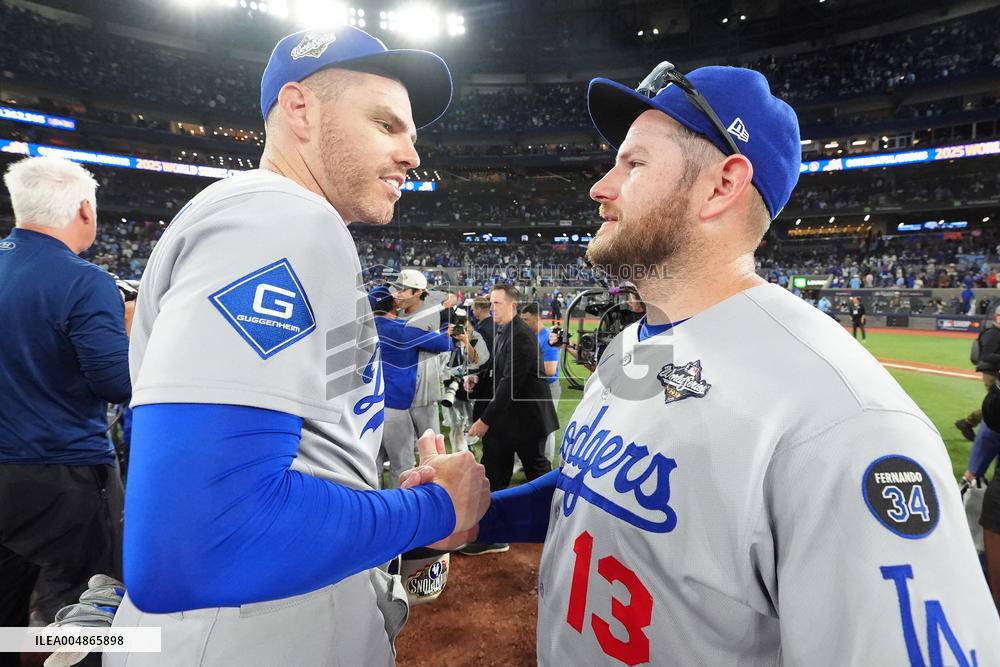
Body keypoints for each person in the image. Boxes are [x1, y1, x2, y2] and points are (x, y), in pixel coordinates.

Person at [449, 62, 1000, 663]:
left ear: (721, 185)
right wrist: (477, 517)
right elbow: (592, 490)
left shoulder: (845, 419)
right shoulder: (637, 340)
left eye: (634, 165)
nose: (600, 187)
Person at [109, 27, 489, 667]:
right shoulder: (283, 219)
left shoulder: (271, 222)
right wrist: (433, 508)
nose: (411, 155)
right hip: (248, 637)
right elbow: (200, 539)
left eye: (413, 136)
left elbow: (299, 462)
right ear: (299, 109)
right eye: (386, 125)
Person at [0, 156, 130, 651]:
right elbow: (119, 383)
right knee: (86, 615)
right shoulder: (85, 280)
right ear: (84, 210)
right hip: (64, 474)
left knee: (7, 617)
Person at [467, 285, 557, 493]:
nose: (492, 308)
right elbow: (497, 368)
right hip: (510, 420)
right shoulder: (506, 329)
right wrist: (476, 378)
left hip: (528, 421)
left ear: (513, 305)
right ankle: (495, 517)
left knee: (538, 479)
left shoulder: (520, 335)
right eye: (491, 303)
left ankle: (552, 520)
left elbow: (509, 383)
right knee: (494, 474)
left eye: (497, 303)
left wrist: (484, 421)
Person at [370, 286, 453, 488]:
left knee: (373, 463)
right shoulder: (403, 329)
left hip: (365, 406)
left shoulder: (362, 328)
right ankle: (399, 510)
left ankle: (370, 504)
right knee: (403, 464)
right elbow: (445, 344)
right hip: (394, 406)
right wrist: (446, 330)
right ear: (393, 304)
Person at [517, 303, 561, 464]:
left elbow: (550, 370)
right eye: (521, 319)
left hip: (548, 387)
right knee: (528, 425)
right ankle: (529, 461)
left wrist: (523, 367)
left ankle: (546, 462)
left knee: (546, 427)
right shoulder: (530, 335)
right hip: (532, 386)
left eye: (526, 320)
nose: (523, 323)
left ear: (537, 319)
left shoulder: (547, 338)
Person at [955, 304, 1000, 441]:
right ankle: (968, 422)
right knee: (995, 405)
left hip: (995, 371)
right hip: (991, 373)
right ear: (997, 318)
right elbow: (986, 356)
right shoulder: (992, 333)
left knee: (995, 405)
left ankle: (967, 423)